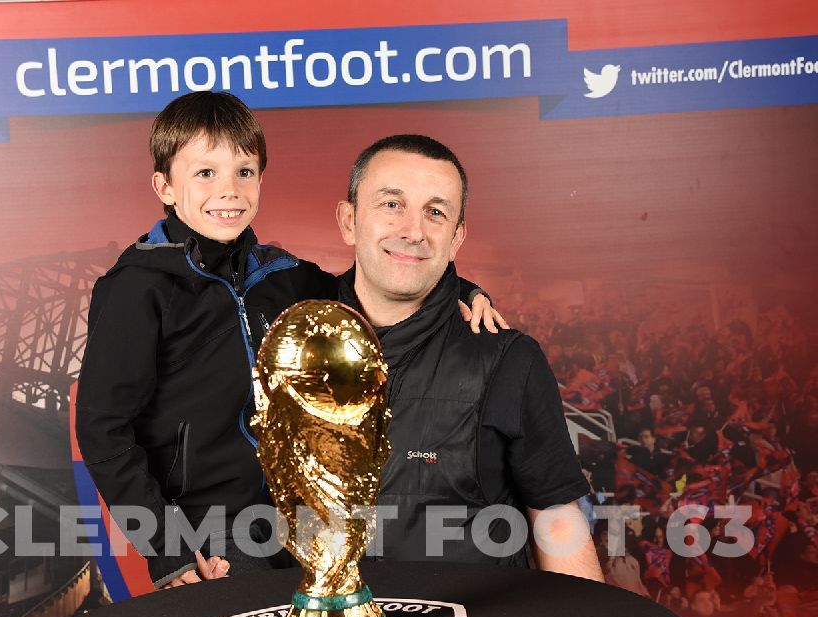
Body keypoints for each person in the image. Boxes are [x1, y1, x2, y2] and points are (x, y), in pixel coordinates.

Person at [74, 93, 502, 589]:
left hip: (307, 515)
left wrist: (462, 290)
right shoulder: (136, 288)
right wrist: (166, 549)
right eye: (205, 173)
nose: (229, 190)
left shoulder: (282, 275)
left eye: (245, 172)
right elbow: (103, 429)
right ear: (165, 186)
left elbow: (373, 286)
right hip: (212, 535)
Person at [334, 134, 602, 579]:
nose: (413, 231)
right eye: (391, 204)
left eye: (435, 213)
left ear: (456, 238)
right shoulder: (285, 339)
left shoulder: (508, 359)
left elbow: (557, 519)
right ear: (349, 221)